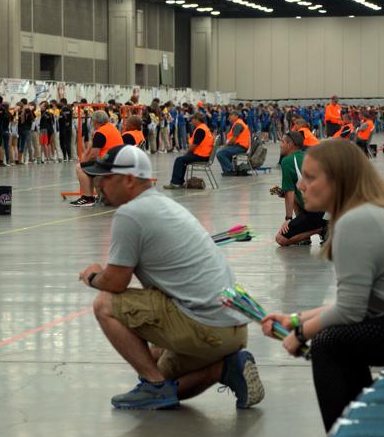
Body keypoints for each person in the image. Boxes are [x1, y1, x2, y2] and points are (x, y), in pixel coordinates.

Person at [262, 139, 384, 431]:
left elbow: (350, 311)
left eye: (310, 177)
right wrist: (292, 319)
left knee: (330, 343)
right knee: (344, 338)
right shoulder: (371, 212)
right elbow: (359, 303)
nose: (301, 186)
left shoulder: (356, 222)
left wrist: (301, 333)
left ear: (337, 180)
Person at [79, 144, 263, 410]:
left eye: (107, 177)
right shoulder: (163, 204)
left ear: (129, 179)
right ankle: (225, 369)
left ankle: (154, 387)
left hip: (207, 325)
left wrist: (93, 275)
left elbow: (116, 283)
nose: (99, 184)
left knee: (104, 304)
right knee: (161, 373)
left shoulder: (130, 214)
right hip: (231, 327)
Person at [274, 132, 327, 246]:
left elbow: (290, 192)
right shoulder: (308, 156)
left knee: (281, 239)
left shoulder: (287, 161)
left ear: (290, 145)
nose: (280, 145)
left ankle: (321, 229)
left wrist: (288, 219)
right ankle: (314, 230)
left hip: (316, 212)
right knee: (293, 197)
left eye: (282, 142)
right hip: (328, 208)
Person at [70, 110, 123, 207]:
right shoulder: (113, 128)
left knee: (80, 168)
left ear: (95, 122)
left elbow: (94, 155)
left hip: (107, 164)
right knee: (87, 167)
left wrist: (84, 164)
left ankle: (87, 198)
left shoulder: (100, 133)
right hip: (117, 161)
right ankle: (92, 196)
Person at [164, 113, 213, 189]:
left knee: (179, 160)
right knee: (182, 160)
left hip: (201, 155)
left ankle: (175, 183)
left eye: (193, 119)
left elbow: (194, 145)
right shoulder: (204, 128)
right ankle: (179, 182)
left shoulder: (200, 129)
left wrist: (186, 152)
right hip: (204, 154)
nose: (191, 121)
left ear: (197, 120)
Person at [216, 110, 251, 175]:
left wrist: (226, 145)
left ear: (236, 116)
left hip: (240, 147)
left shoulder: (238, 124)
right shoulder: (238, 123)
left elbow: (233, 138)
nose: (229, 117)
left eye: (231, 116)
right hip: (240, 146)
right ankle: (228, 170)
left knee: (220, 153)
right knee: (224, 152)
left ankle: (230, 170)